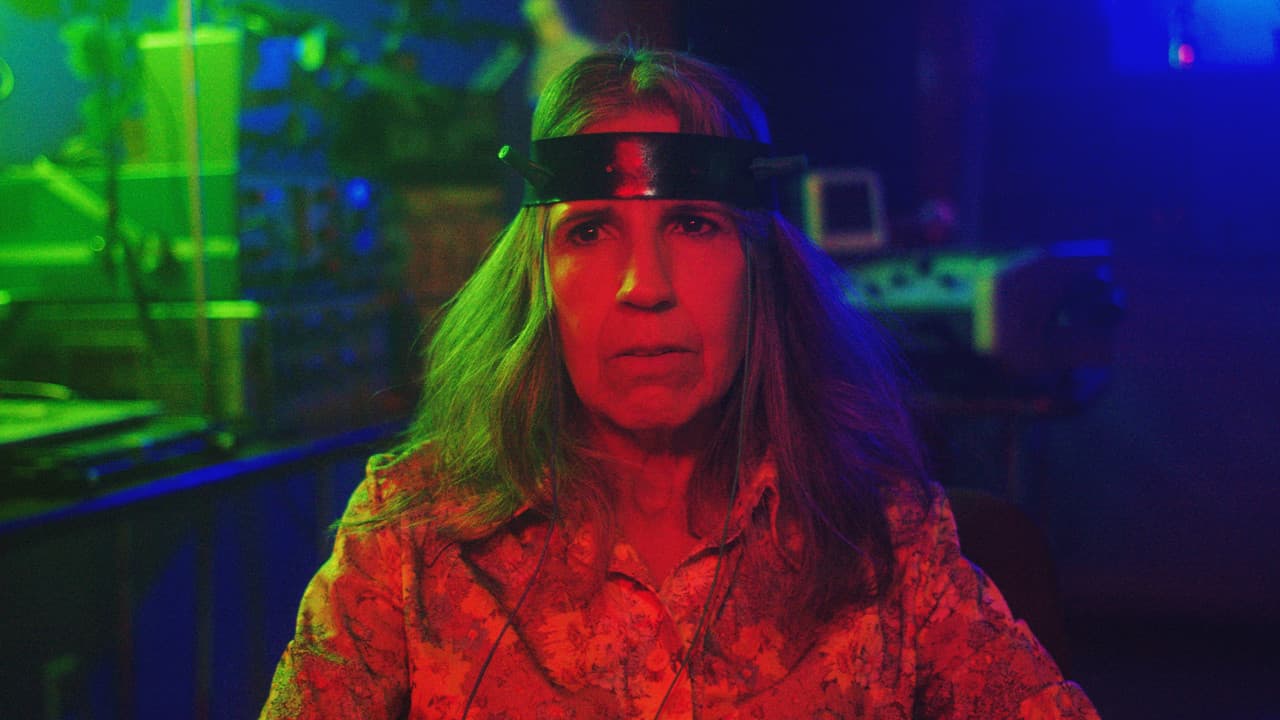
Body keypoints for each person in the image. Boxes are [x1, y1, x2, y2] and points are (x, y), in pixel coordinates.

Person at [260, 47, 1100, 719]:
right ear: (538, 282)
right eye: (591, 231)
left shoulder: (885, 540)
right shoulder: (414, 538)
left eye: (694, 225)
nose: (644, 285)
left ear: (759, 273)